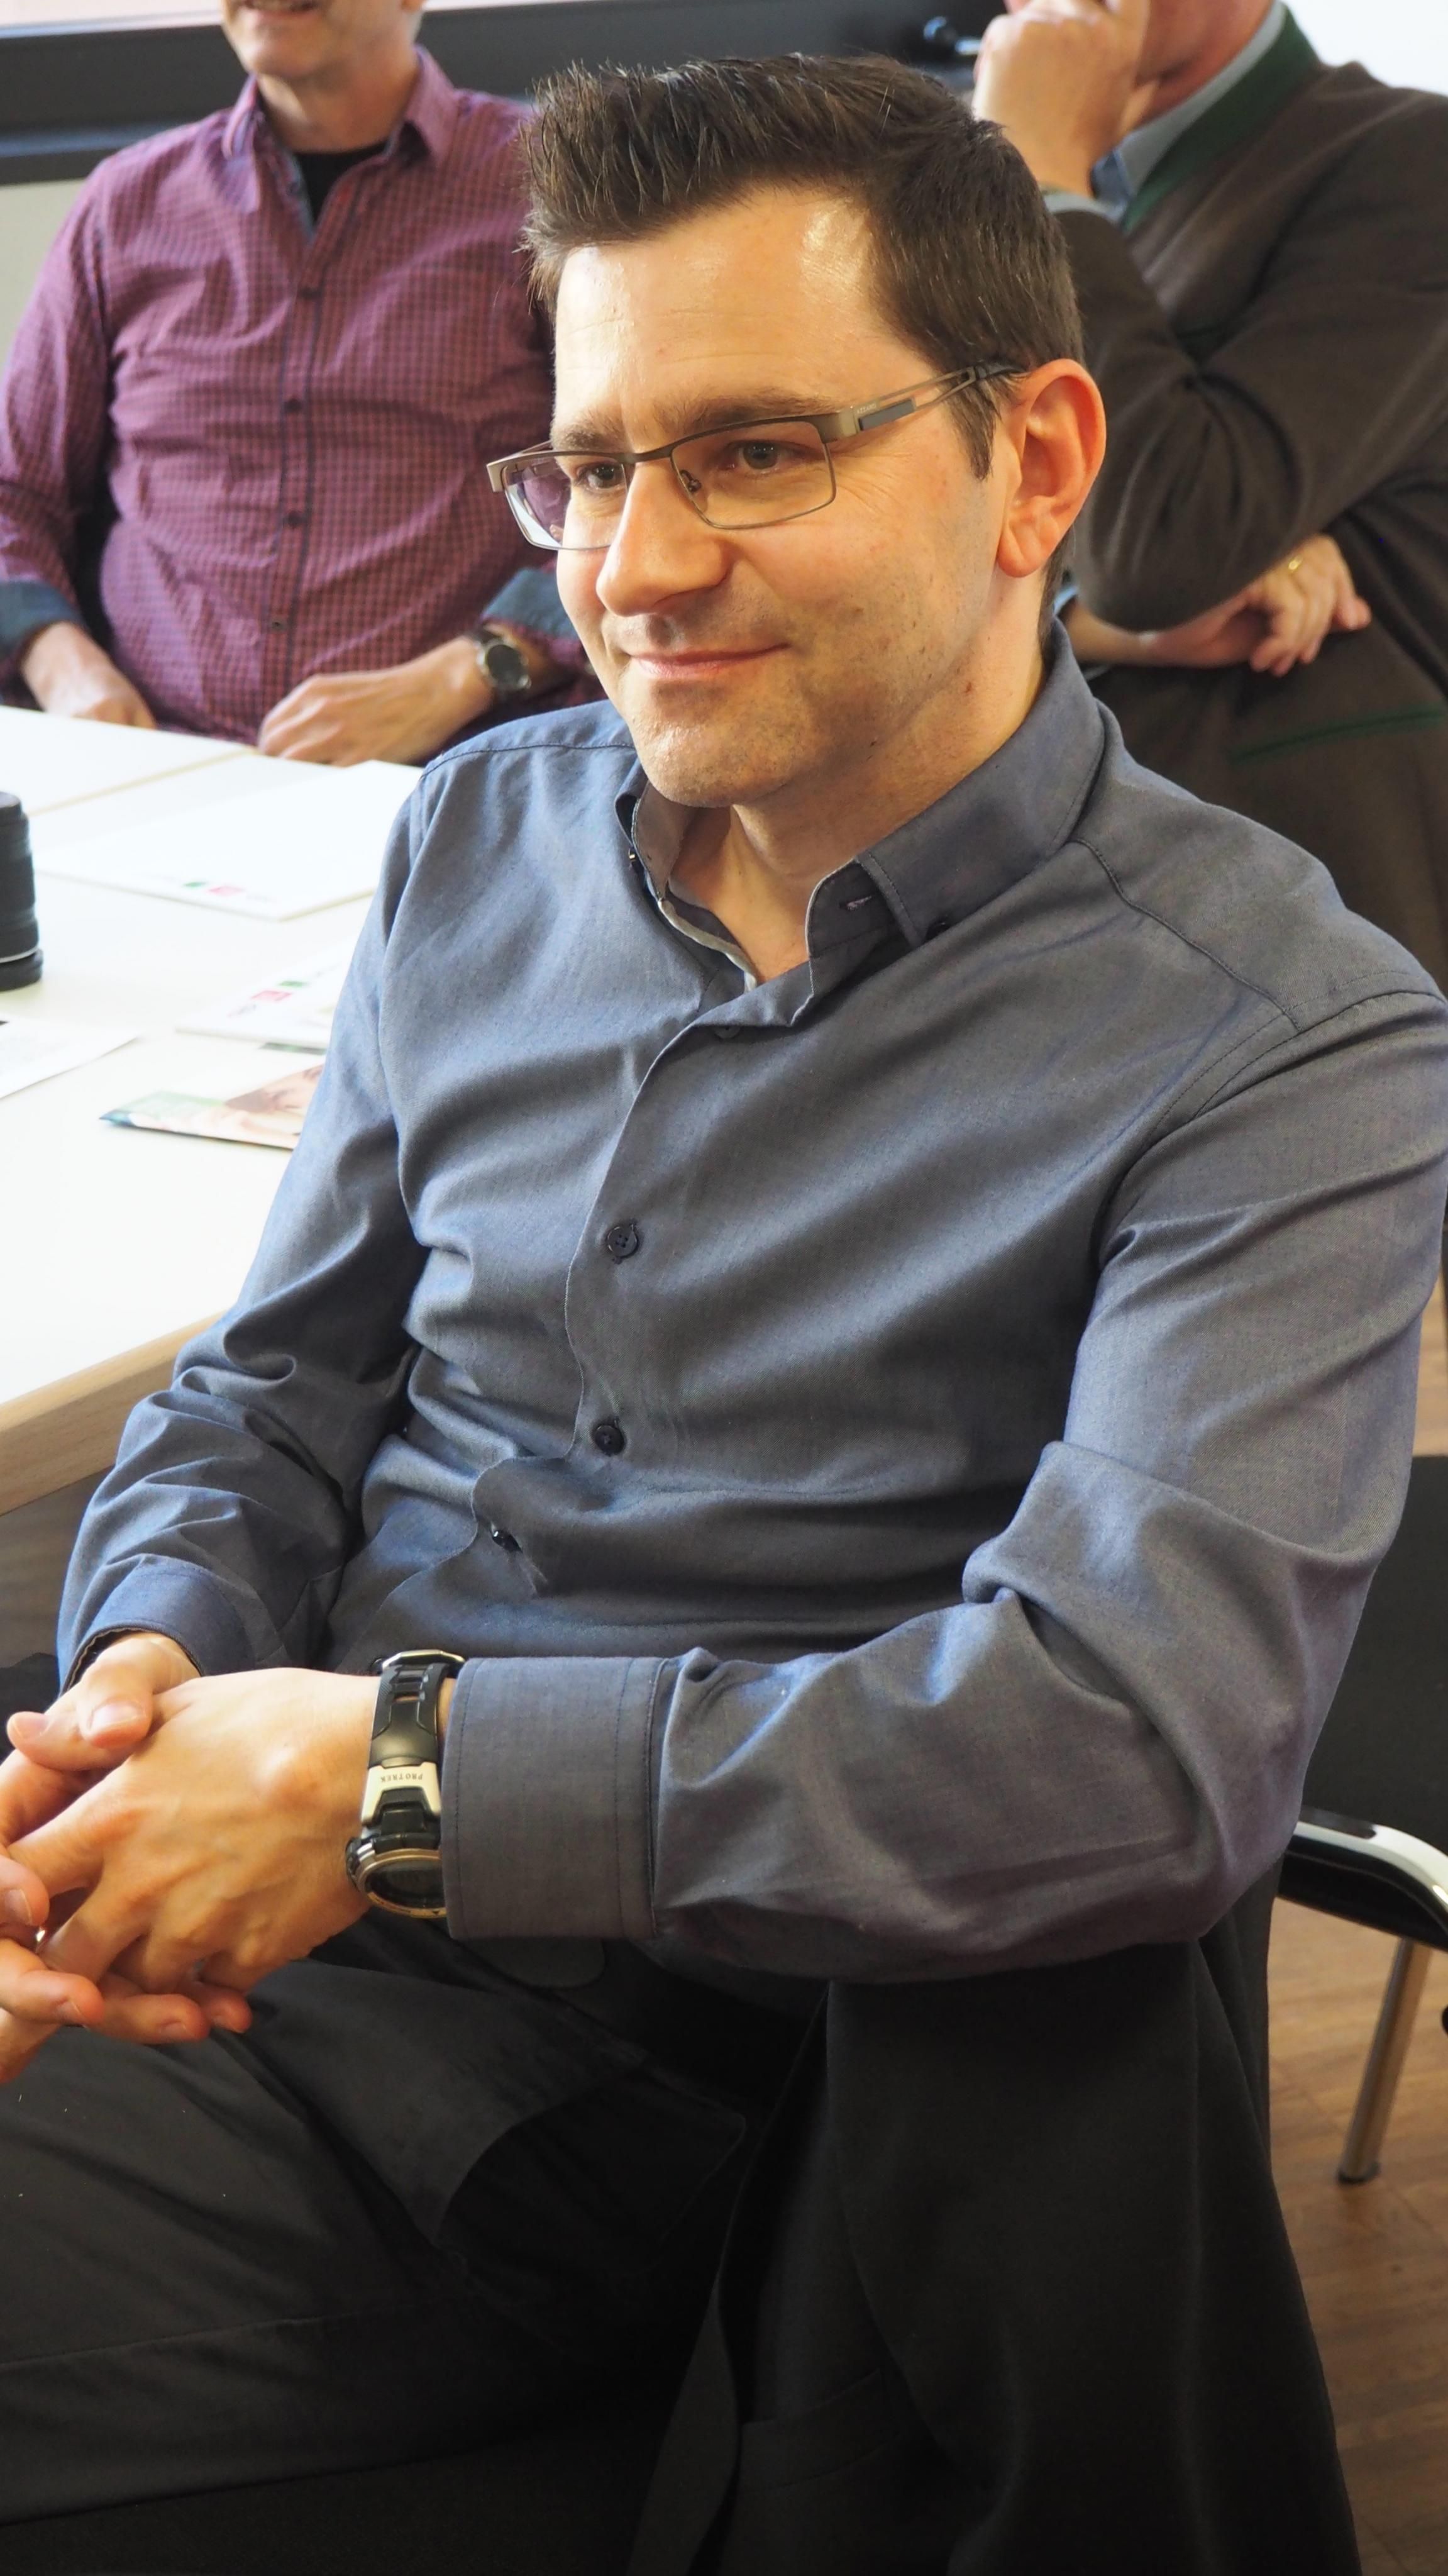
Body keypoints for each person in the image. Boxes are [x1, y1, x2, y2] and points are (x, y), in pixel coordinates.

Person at [0, 52, 1445, 2575]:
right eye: (586, 469)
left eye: (755, 452)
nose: (636, 563)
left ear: (1030, 462)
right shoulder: (475, 838)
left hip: (663, 2073)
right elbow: (277, 1382)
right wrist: (142, 1689)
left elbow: (1134, 1751)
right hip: (247, 1835)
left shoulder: (1275, 1035)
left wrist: (385, 1787)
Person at [974, 0, 1448, 985]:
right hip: (1021, 903)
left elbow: (1161, 543)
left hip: (1307, 920)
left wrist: (1035, 185)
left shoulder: (1405, 158)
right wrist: (1079, 618)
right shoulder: (956, 187)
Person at [0, 0, 590, 763]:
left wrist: (472, 671)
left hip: (453, 767)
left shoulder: (552, 188)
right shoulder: (126, 205)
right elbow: (16, 493)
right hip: (143, 762)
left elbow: (632, 486)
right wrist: (63, 667)